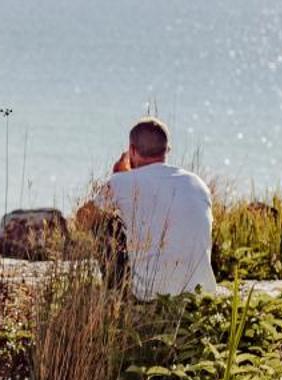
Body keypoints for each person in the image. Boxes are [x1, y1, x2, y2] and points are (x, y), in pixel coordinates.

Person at [76, 117, 215, 300]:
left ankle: (117, 291)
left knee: (102, 223)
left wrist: (117, 176)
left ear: (132, 150)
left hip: (149, 294)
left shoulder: (121, 182)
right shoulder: (197, 182)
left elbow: (82, 220)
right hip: (201, 293)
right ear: (167, 150)